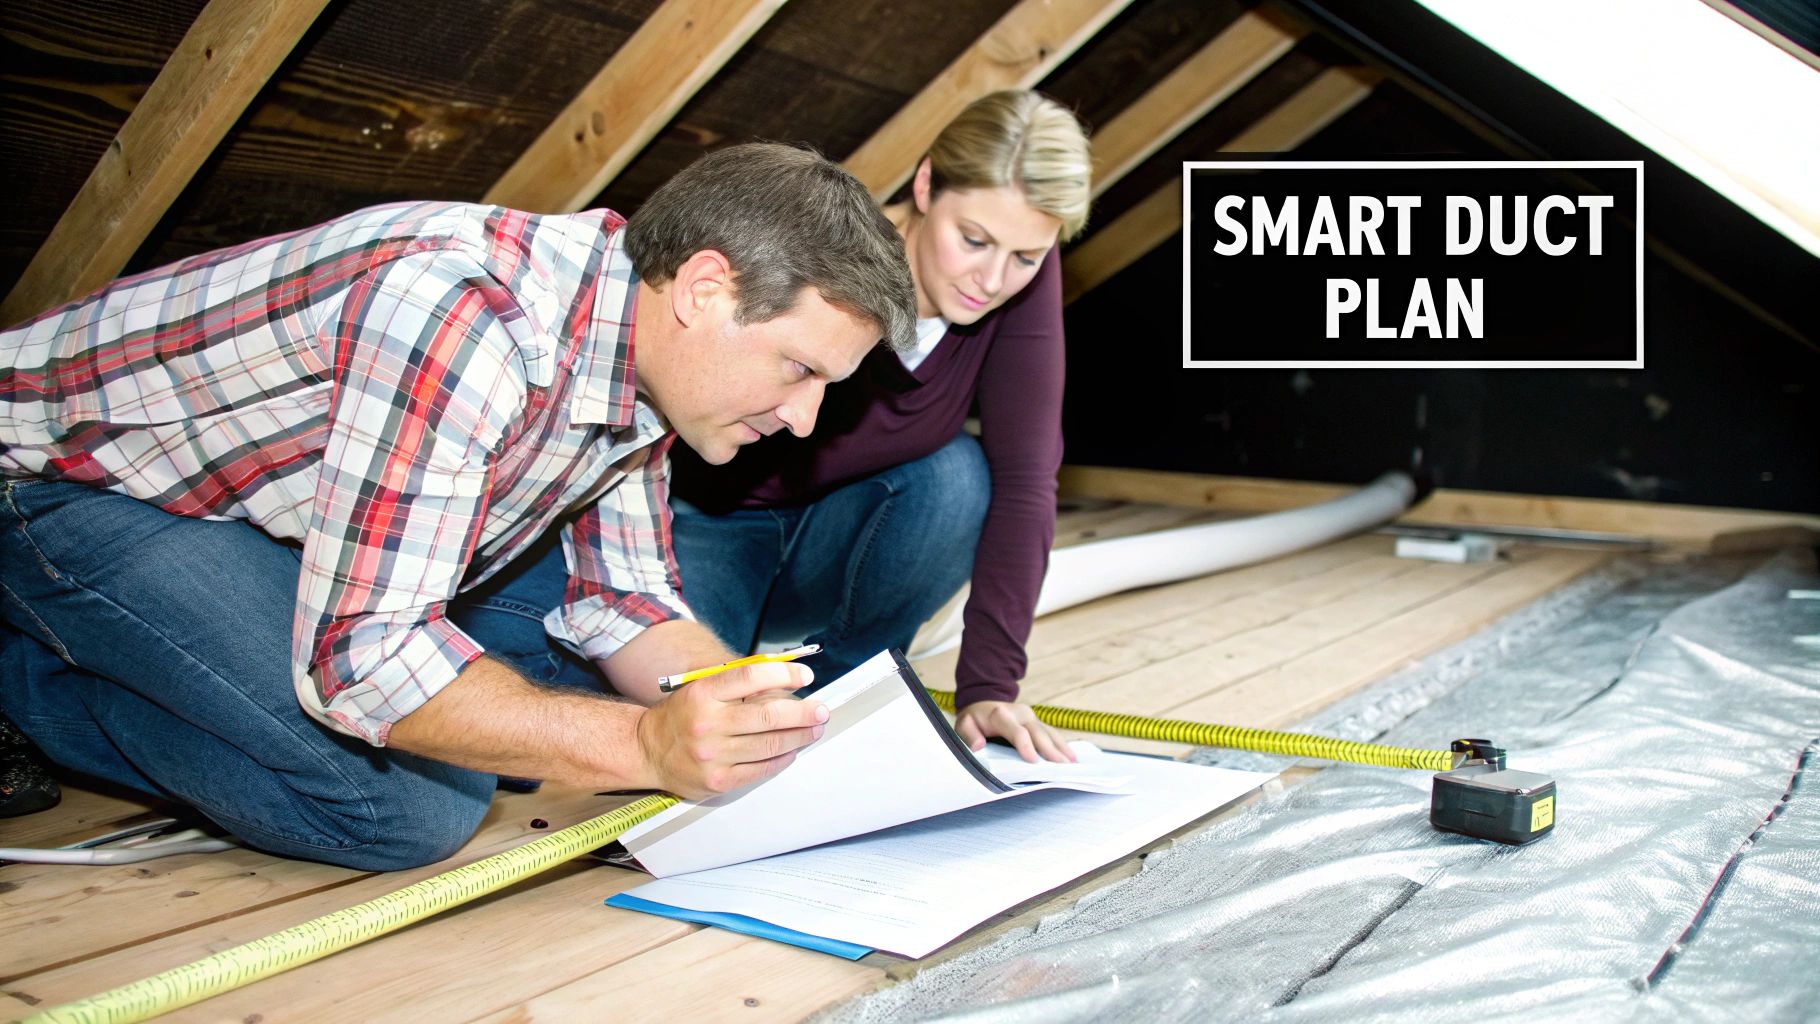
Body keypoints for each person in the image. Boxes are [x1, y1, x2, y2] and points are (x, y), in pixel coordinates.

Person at [0, 143, 917, 869]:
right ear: (707, 290)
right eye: (800, 369)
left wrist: (743, 718)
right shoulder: (463, 311)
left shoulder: (649, 351)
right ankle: (24, 673)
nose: (804, 419)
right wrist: (647, 746)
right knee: (407, 809)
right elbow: (365, 663)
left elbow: (622, 598)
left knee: (512, 714)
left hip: (232, 507)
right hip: (59, 487)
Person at [668, 91, 1090, 764]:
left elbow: (1028, 480)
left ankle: (847, 690)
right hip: (708, 526)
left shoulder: (1017, 274)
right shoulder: (825, 251)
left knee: (959, 476)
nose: (993, 278)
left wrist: (990, 686)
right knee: (677, 718)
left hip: (835, 543)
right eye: (973, 240)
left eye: (1025, 256)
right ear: (925, 185)